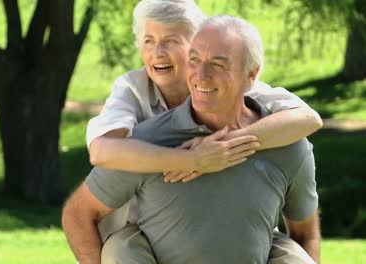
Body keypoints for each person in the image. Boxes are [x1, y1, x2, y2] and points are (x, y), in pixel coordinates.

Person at [63, 14, 320, 264]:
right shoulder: (146, 142)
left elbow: (304, 234)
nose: (201, 75)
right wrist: (189, 159)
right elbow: (79, 213)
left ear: (251, 75)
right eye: (194, 60)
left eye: (218, 65)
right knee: (119, 248)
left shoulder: (288, 142)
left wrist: (232, 143)